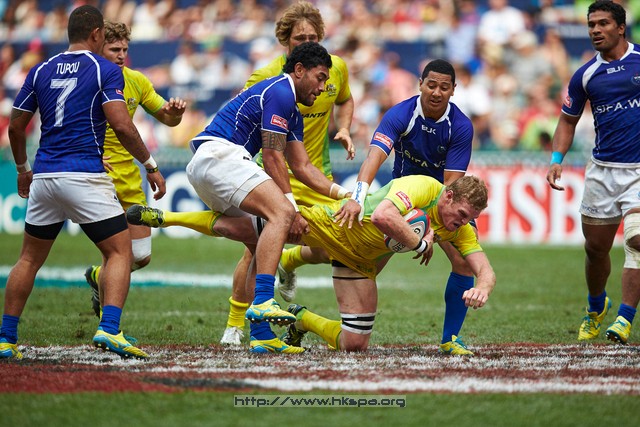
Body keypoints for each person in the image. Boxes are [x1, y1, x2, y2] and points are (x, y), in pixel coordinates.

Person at [131, 2, 356, 346]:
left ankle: (261, 335)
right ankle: (264, 301)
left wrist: (344, 193)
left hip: (212, 165)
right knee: (281, 215)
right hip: (222, 156)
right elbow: (272, 157)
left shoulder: (294, 107)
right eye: (320, 79)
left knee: (259, 235)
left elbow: (303, 166)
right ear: (298, 69)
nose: (324, 86)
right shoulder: (279, 89)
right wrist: (290, 207)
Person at [129, 175, 495, 353]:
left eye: (469, 220)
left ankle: (301, 318)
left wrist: (482, 287)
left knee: (355, 344)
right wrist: (421, 241)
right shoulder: (425, 187)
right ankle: (166, 217)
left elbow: (485, 268)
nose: (462, 223)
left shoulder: (457, 228)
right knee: (239, 229)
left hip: (359, 263)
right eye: (462, 214)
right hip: (333, 225)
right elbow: (384, 216)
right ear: (449, 195)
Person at [0, 5, 166, 361]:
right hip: (85, 174)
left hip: (44, 175)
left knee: (27, 259)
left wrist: (23, 169)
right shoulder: (105, 69)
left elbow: (15, 127)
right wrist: (150, 164)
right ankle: (110, 328)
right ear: (96, 34)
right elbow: (121, 125)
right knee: (120, 252)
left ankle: (5, 338)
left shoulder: (40, 69)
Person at [320, 59, 479, 355]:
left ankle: (450, 339)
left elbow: (452, 187)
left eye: (444, 87)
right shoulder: (401, 113)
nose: (436, 92)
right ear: (420, 84)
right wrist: (357, 197)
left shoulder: (460, 126)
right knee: (362, 260)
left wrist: (434, 230)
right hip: (403, 199)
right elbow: (374, 157)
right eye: (431, 85)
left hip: (441, 202)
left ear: (453, 90)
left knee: (464, 261)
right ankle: (292, 259)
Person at [546, 0, 640, 345]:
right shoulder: (585, 75)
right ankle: (597, 306)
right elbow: (567, 121)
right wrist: (556, 158)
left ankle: (624, 318)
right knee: (596, 249)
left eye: (603, 23)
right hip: (603, 171)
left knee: (637, 240)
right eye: (591, 24)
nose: (595, 30)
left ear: (621, 27)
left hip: (638, 171)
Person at [84, 21, 186, 318]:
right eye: (114, 49)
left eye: (124, 49)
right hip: (97, 176)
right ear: (98, 47)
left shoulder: (136, 80)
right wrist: (87, 153)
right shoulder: (86, 78)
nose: (121, 55)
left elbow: (167, 118)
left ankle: (98, 277)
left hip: (128, 177)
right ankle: (109, 325)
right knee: (116, 252)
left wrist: (175, 114)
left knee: (140, 256)